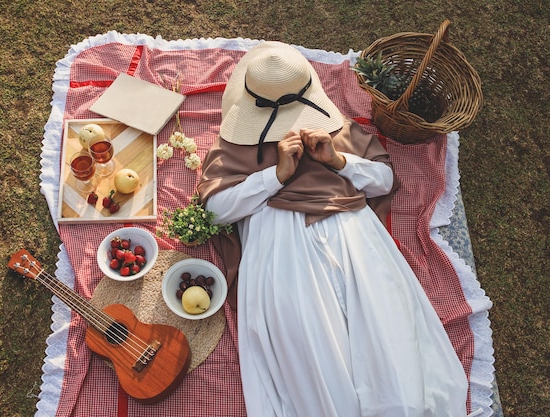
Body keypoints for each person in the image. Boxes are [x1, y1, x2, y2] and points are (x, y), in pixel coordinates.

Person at [197, 41, 469, 417]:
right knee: (309, 341)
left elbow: (382, 179)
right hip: (278, 233)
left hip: (348, 224)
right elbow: (216, 209)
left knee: (383, 326)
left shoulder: (337, 131)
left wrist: (337, 159)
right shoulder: (235, 145)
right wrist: (275, 176)